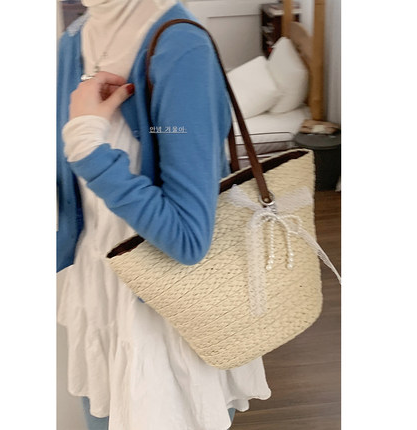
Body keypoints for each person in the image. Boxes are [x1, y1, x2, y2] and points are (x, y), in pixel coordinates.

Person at [57, 1, 272, 429]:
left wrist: (88, 148)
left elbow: (188, 239)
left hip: (164, 316)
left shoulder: (179, 47)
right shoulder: (74, 39)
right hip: (97, 297)